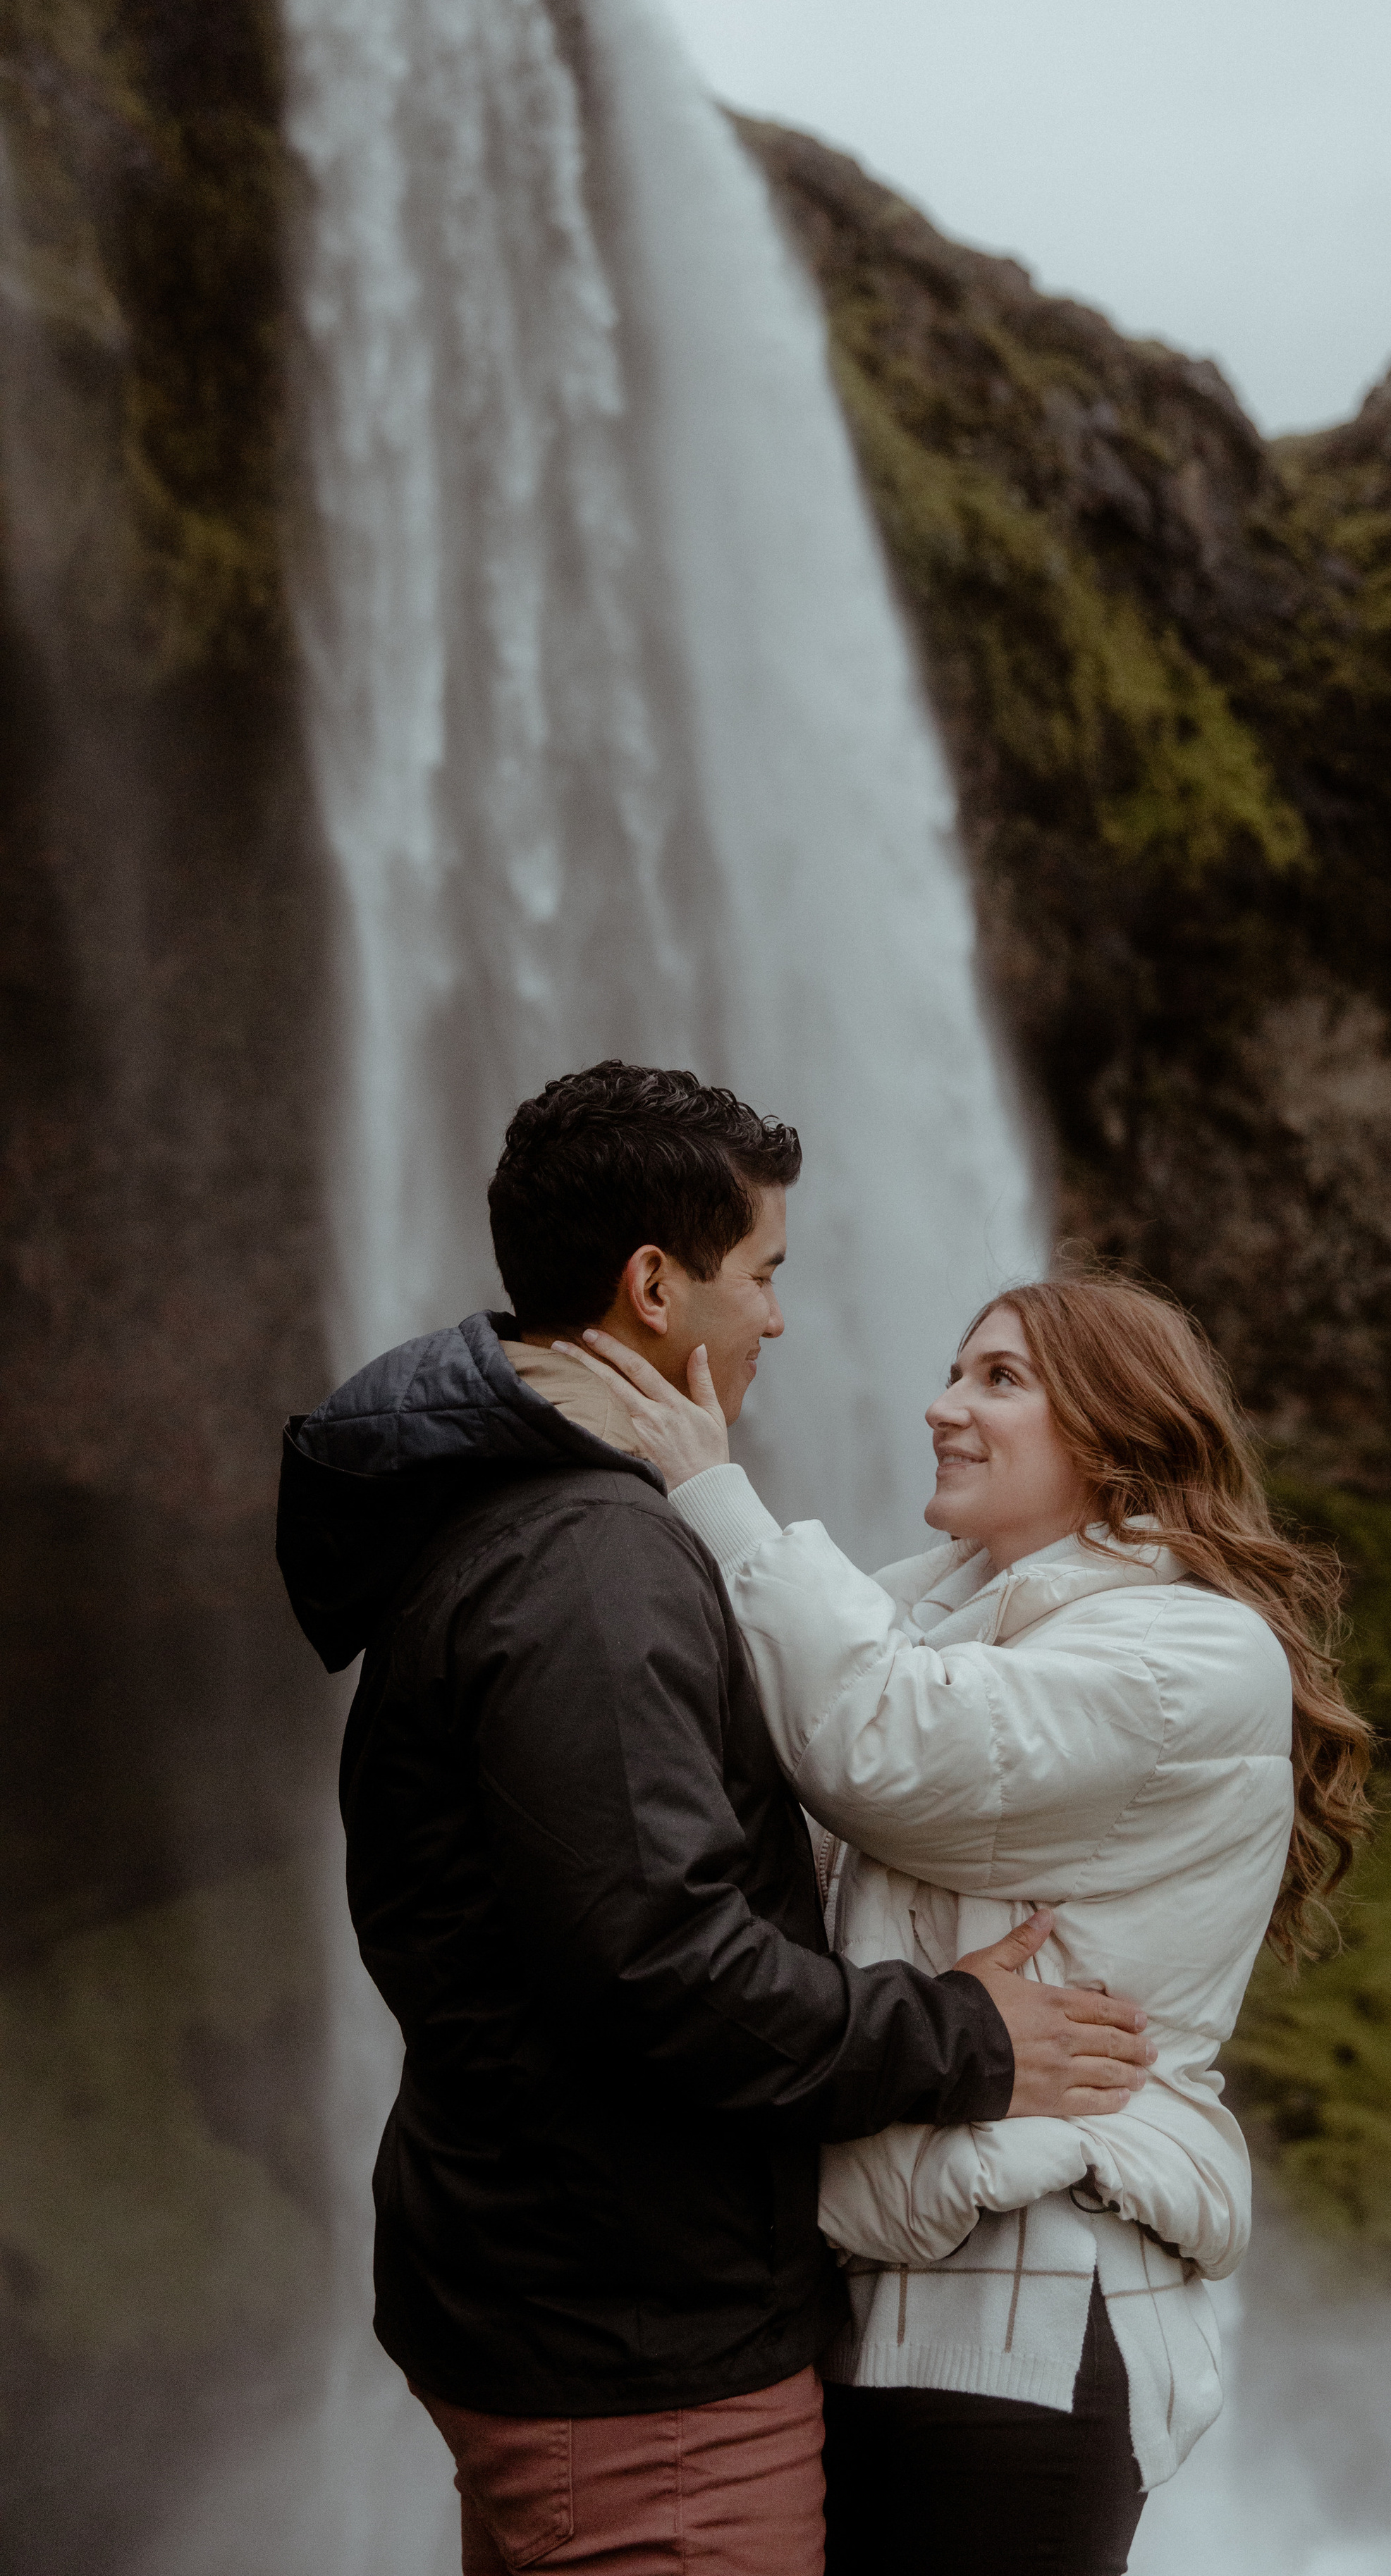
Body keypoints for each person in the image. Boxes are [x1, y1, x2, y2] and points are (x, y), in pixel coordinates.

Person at [275, 1061, 1154, 2576]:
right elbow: (660, 1974)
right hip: (641, 2358)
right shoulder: (593, 1570)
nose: (781, 1317)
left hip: (559, 2297)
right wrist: (967, 2037)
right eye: (762, 1273)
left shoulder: (510, 1519)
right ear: (652, 1287)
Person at [565, 1271, 1375, 2576]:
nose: (942, 1406)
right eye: (954, 1370)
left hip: (1031, 2308)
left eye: (1000, 1379)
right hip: (871, 2285)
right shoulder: (932, 1612)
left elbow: (887, 1747)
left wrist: (708, 1483)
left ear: (1118, 1432)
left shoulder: (1190, 1653)